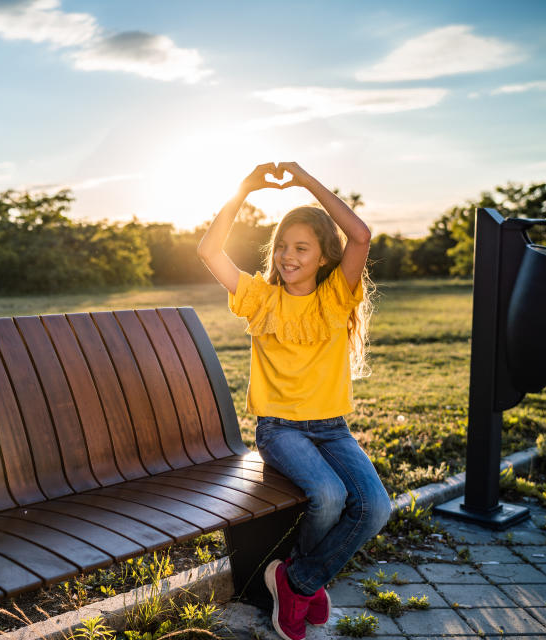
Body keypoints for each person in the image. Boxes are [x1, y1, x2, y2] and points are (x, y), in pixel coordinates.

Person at [198, 162, 391, 640]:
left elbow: (361, 236)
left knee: (375, 507)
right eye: (282, 246)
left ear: (325, 255)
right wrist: (244, 188)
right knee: (327, 496)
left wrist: (306, 181)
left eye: (301, 248)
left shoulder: (335, 297)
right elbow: (208, 250)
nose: (287, 256)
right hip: (280, 428)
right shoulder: (259, 298)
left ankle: (297, 580)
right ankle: (306, 584)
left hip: (332, 428)